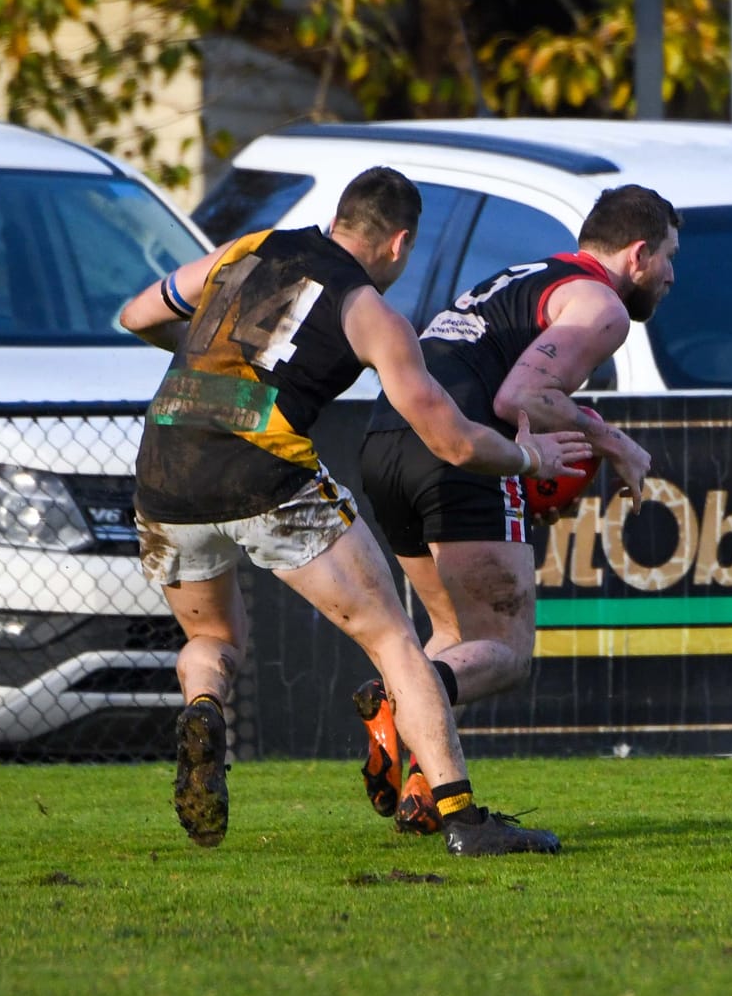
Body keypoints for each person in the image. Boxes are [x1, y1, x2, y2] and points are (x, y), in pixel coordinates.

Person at [122, 165, 585, 857]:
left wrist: (207, 365)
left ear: (339, 219)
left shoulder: (251, 247)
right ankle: (462, 819)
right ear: (400, 242)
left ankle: (203, 709)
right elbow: (453, 441)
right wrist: (529, 458)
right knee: (395, 641)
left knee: (213, 637)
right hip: (263, 474)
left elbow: (139, 314)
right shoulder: (367, 308)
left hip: (164, 471)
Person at [357, 183, 677, 833]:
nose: (672, 275)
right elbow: (520, 397)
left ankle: (422, 786)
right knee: (505, 649)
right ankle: (400, 698)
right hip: (457, 450)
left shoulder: (528, 274)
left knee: (456, 632)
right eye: (670, 257)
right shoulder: (603, 305)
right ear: (639, 254)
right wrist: (612, 440)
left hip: (385, 440)